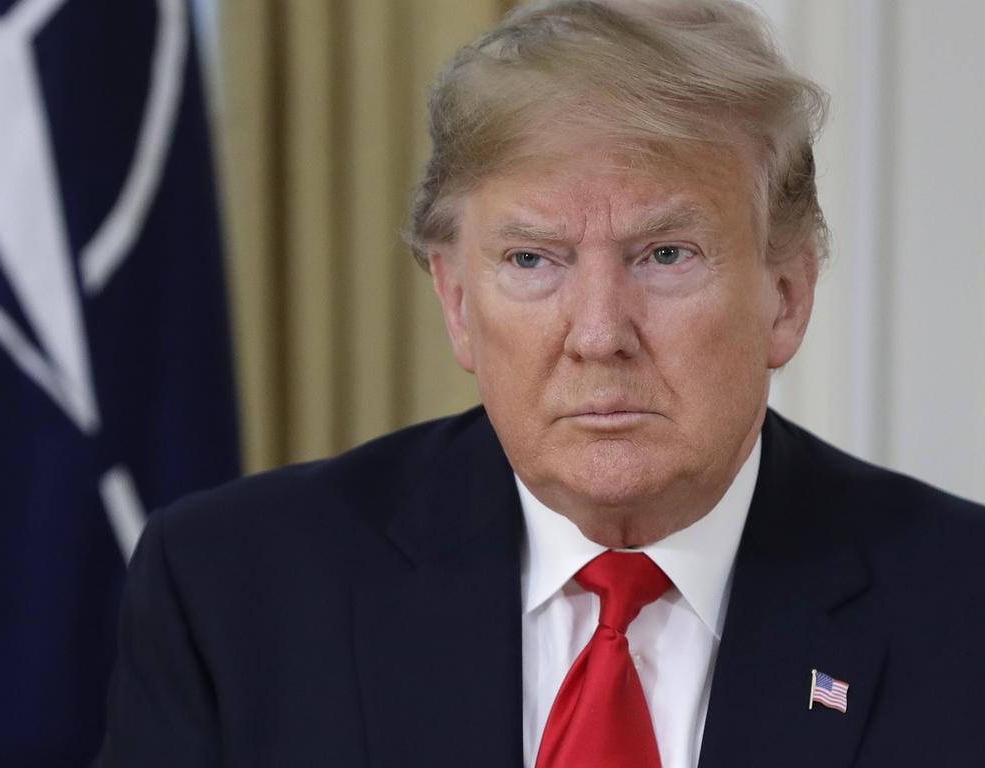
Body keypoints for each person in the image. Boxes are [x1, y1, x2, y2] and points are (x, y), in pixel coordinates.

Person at [97, 1, 985, 766]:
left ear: (786, 296)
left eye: (666, 254)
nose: (599, 334)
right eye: (532, 259)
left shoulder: (960, 610)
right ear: (455, 303)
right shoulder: (232, 592)